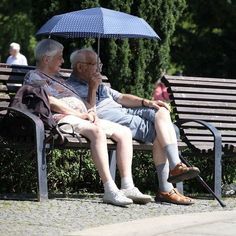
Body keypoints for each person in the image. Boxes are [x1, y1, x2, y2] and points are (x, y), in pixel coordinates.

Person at [24, 39, 152, 207]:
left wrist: (90, 108)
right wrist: (80, 114)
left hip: (80, 118)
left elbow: (88, 106)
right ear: (46, 59)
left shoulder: (61, 80)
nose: (63, 61)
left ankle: (127, 186)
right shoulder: (34, 76)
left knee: (124, 132)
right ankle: (109, 189)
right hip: (61, 119)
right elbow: (50, 101)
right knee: (97, 132)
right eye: (59, 57)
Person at [66, 48, 200, 205]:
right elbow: (90, 111)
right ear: (80, 67)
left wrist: (146, 102)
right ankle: (166, 187)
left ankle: (175, 166)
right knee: (167, 131)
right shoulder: (70, 88)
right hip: (114, 120)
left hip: (126, 111)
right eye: (95, 64)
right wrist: (92, 88)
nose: (99, 68)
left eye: (100, 64)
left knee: (161, 109)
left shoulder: (100, 85)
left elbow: (121, 97)